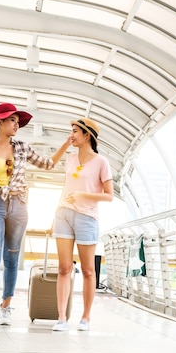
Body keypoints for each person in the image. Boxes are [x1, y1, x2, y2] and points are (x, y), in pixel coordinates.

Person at [0, 103, 70, 329]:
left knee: (11, 259)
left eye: (17, 121)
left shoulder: (22, 147)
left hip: (19, 206)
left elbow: (48, 164)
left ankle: (6, 307)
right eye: (12, 120)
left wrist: (65, 144)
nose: (16, 124)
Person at [51, 117, 113, 332]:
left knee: (87, 270)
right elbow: (65, 186)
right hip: (64, 215)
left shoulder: (101, 162)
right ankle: (61, 318)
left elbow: (109, 196)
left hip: (87, 218)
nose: (71, 134)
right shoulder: (70, 158)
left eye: (75, 131)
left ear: (87, 135)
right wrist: (54, 215)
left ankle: (85, 317)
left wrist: (82, 194)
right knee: (63, 268)